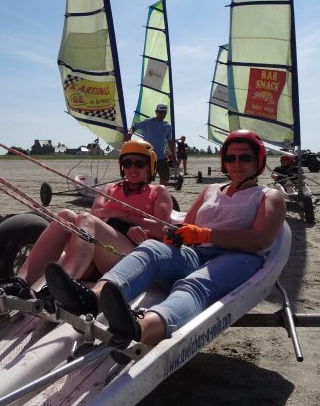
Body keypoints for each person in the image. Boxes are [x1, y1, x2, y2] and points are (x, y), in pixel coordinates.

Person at [45, 129, 286, 346]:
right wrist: (175, 236)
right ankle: (92, 300)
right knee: (151, 248)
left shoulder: (268, 195)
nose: (237, 163)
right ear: (224, 161)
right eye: (231, 157)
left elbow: (261, 239)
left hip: (238, 257)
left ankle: (145, 327)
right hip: (197, 253)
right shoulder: (211, 191)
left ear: (259, 161)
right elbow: (188, 225)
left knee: (195, 284)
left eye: (245, 157)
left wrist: (205, 234)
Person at [4, 140, 174, 298]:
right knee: (65, 215)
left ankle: (63, 284)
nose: (132, 168)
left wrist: (122, 216)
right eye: (127, 163)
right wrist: (126, 226)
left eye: (139, 163)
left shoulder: (158, 191)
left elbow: (162, 229)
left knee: (85, 220)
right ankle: (20, 281)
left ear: (150, 166)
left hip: (131, 258)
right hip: (94, 259)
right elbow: (97, 215)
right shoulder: (109, 188)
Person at [126, 104, 175, 185]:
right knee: (147, 180)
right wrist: (130, 134)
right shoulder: (148, 122)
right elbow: (134, 126)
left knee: (165, 178)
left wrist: (174, 157)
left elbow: (170, 142)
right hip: (148, 157)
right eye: (160, 112)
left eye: (164, 112)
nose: (162, 114)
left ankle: (160, 194)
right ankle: (146, 195)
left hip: (161, 157)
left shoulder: (168, 126)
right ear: (156, 112)